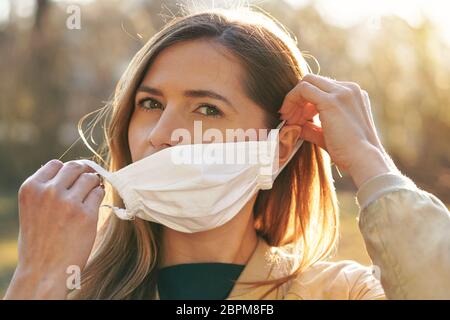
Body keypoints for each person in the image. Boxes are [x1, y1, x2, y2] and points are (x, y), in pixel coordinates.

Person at [5, 8, 450, 300]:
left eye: (207, 109)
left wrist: (373, 165)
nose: (162, 135)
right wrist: (38, 279)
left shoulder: (341, 292)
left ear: (278, 149)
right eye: (151, 104)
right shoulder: (73, 288)